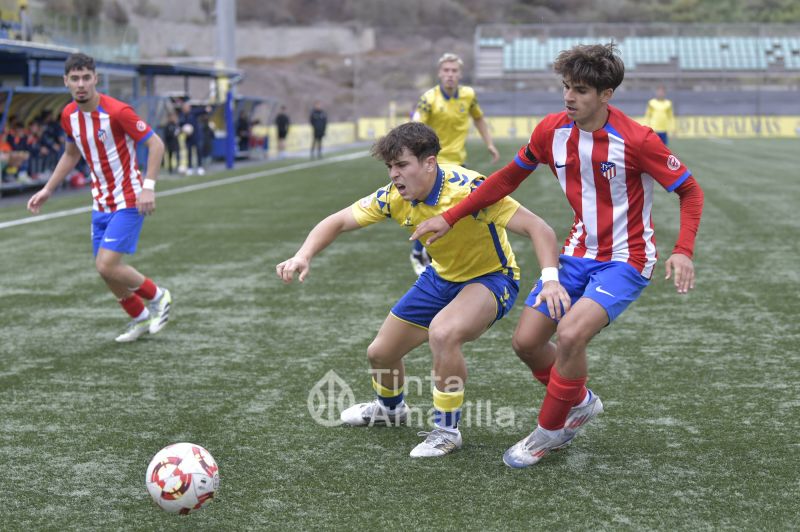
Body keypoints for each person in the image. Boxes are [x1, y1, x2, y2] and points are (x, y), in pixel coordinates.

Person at [411, 43, 704, 468]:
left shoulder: (638, 140)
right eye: (566, 87)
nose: (569, 97)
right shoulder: (550, 131)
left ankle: (548, 432)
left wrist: (683, 250)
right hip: (576, 253)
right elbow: (507, 178)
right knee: (527, 342)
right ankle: (579, 401)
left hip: (627, 258)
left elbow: (689, 190)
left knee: (569, 334)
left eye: (581, 90)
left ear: (606, 95)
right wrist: (452, 217)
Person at [276, 122, 567, 458]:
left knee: (443, 334)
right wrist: (303, 254)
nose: (394, 175)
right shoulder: (393, 197)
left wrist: (550, 278)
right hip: (439, 278)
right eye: (390, 167)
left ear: (429, 163)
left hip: (491, 279)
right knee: (381, 353)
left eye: (402, 165)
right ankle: (390, 409)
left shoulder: (469, 189)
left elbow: (538, 228)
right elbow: (338, 221)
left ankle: (446, 431)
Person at [27, 52, 172, 343]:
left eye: (86, 78)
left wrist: (148, 186)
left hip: (129, 198)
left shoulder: (118, 112)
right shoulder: (68, 115)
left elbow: (156, 145)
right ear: (65, 81)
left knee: (107, 264)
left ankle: (159, 296)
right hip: (100, 202)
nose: (81, 84)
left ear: (95, 79)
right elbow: (71, 154)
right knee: (105, 271)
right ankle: (140, 318)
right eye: (75, 79)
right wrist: (48, 188)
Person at [408, 52, 500, 276]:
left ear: (460, 74)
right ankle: (418, 250)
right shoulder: (429, 99)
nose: (450, 75)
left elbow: (478, 117)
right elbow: (415, 123)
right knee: (435, 210)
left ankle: (442, 252)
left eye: (454, 71)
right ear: (440, 73)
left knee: (464, 210)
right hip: (434, 164)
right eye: (446, 71)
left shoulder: (468, 95)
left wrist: (489, 142)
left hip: (459, 163)